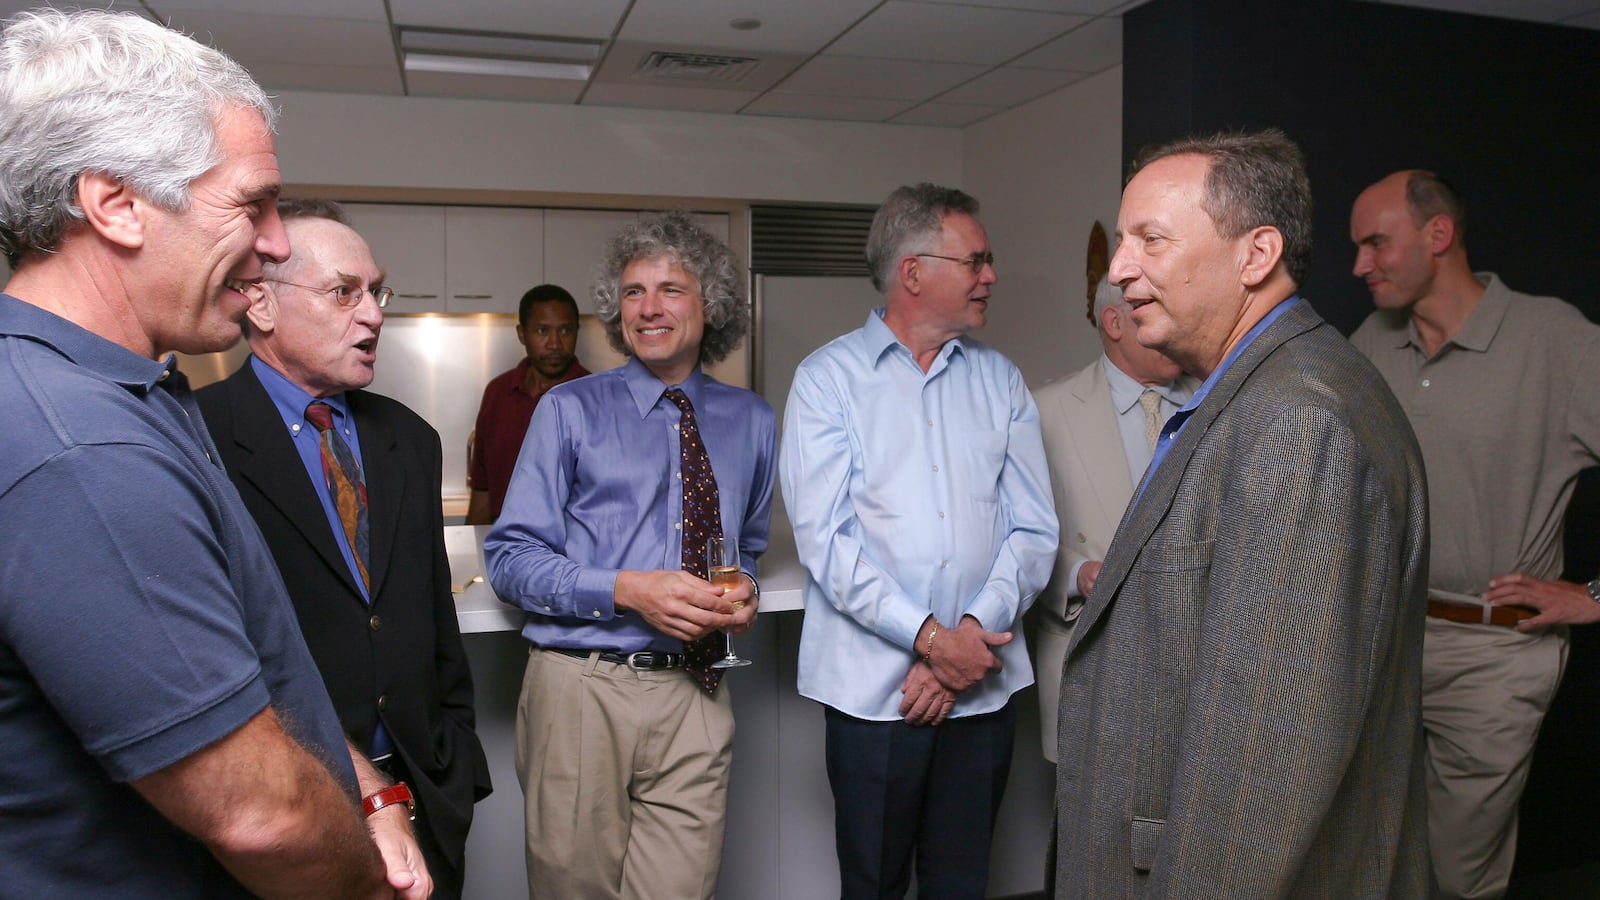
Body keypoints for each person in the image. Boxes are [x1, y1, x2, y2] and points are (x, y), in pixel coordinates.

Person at [0, 8, 428, 897]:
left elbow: (255, 680)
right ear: (114, 203)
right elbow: (259, 818)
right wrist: (365, 882)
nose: (275, 244)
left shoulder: (140, 388)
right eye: (251, 203)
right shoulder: (82, 447)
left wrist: (368, 789)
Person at [1053, 129, 1431, 897]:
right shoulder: (1256, 393)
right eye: (1122, 241)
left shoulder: (1299, 420)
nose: (1119, 268)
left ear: (1256, 255)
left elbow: (1267, 760)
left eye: (1150, 240)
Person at [196, 199, 493, 898]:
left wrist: (457, 765)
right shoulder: (196, 437)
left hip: (424, 793)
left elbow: (432, 618)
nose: (374, 313)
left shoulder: (410, 440)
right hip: (288, 808)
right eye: (343, 292)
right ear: (262, 305)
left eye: (375, 290)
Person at [782, 183, 1058, 899]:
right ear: (914, 272)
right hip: (875, 699)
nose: (991, 276)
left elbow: (1033, 530)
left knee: (963, 884)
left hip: (982, 692)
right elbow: (829, 544)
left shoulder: (1001, 382)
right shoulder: (826, 382)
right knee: (872, 885)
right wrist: (933, 642)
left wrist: (964, 639)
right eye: (977, 260)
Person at [485, 211, 772, 900]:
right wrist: (627, 590)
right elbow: (509, 558)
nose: (647, 307)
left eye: (671, 289)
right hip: (584, 688)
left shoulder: (752, 420)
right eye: (633, 291)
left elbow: (749, 544)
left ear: (713, 306)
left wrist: (747, 592)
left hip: (697, 694)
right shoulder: (569, 409)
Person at [1349, 169, 1600, 899]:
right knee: (1374, 860)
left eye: (1375, 243)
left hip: (1494, 654)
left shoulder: (1558, 342)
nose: (1360, 265)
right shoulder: (1373, 340)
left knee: (1457, 878)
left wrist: (1592, 596)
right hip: (1383, 647)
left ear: (1438, 235)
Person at [1031, 276, 1196, 764]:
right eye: (1153, 311)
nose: (1174, 327)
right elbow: (1015, 536)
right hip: (1091, 666)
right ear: (1114, 323)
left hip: (1198, 671)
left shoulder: (1218, 401)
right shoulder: (1044, 412)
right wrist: (1076, 573)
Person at [465, 283, 590, 524]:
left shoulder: (595, 397)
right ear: (522, 334)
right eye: (542, 331)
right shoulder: (497, 393)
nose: (555, 344)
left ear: (577, 331)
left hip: (571, 551)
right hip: (505, 545)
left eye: (565, 331)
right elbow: (482, 488)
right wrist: (476, 548)